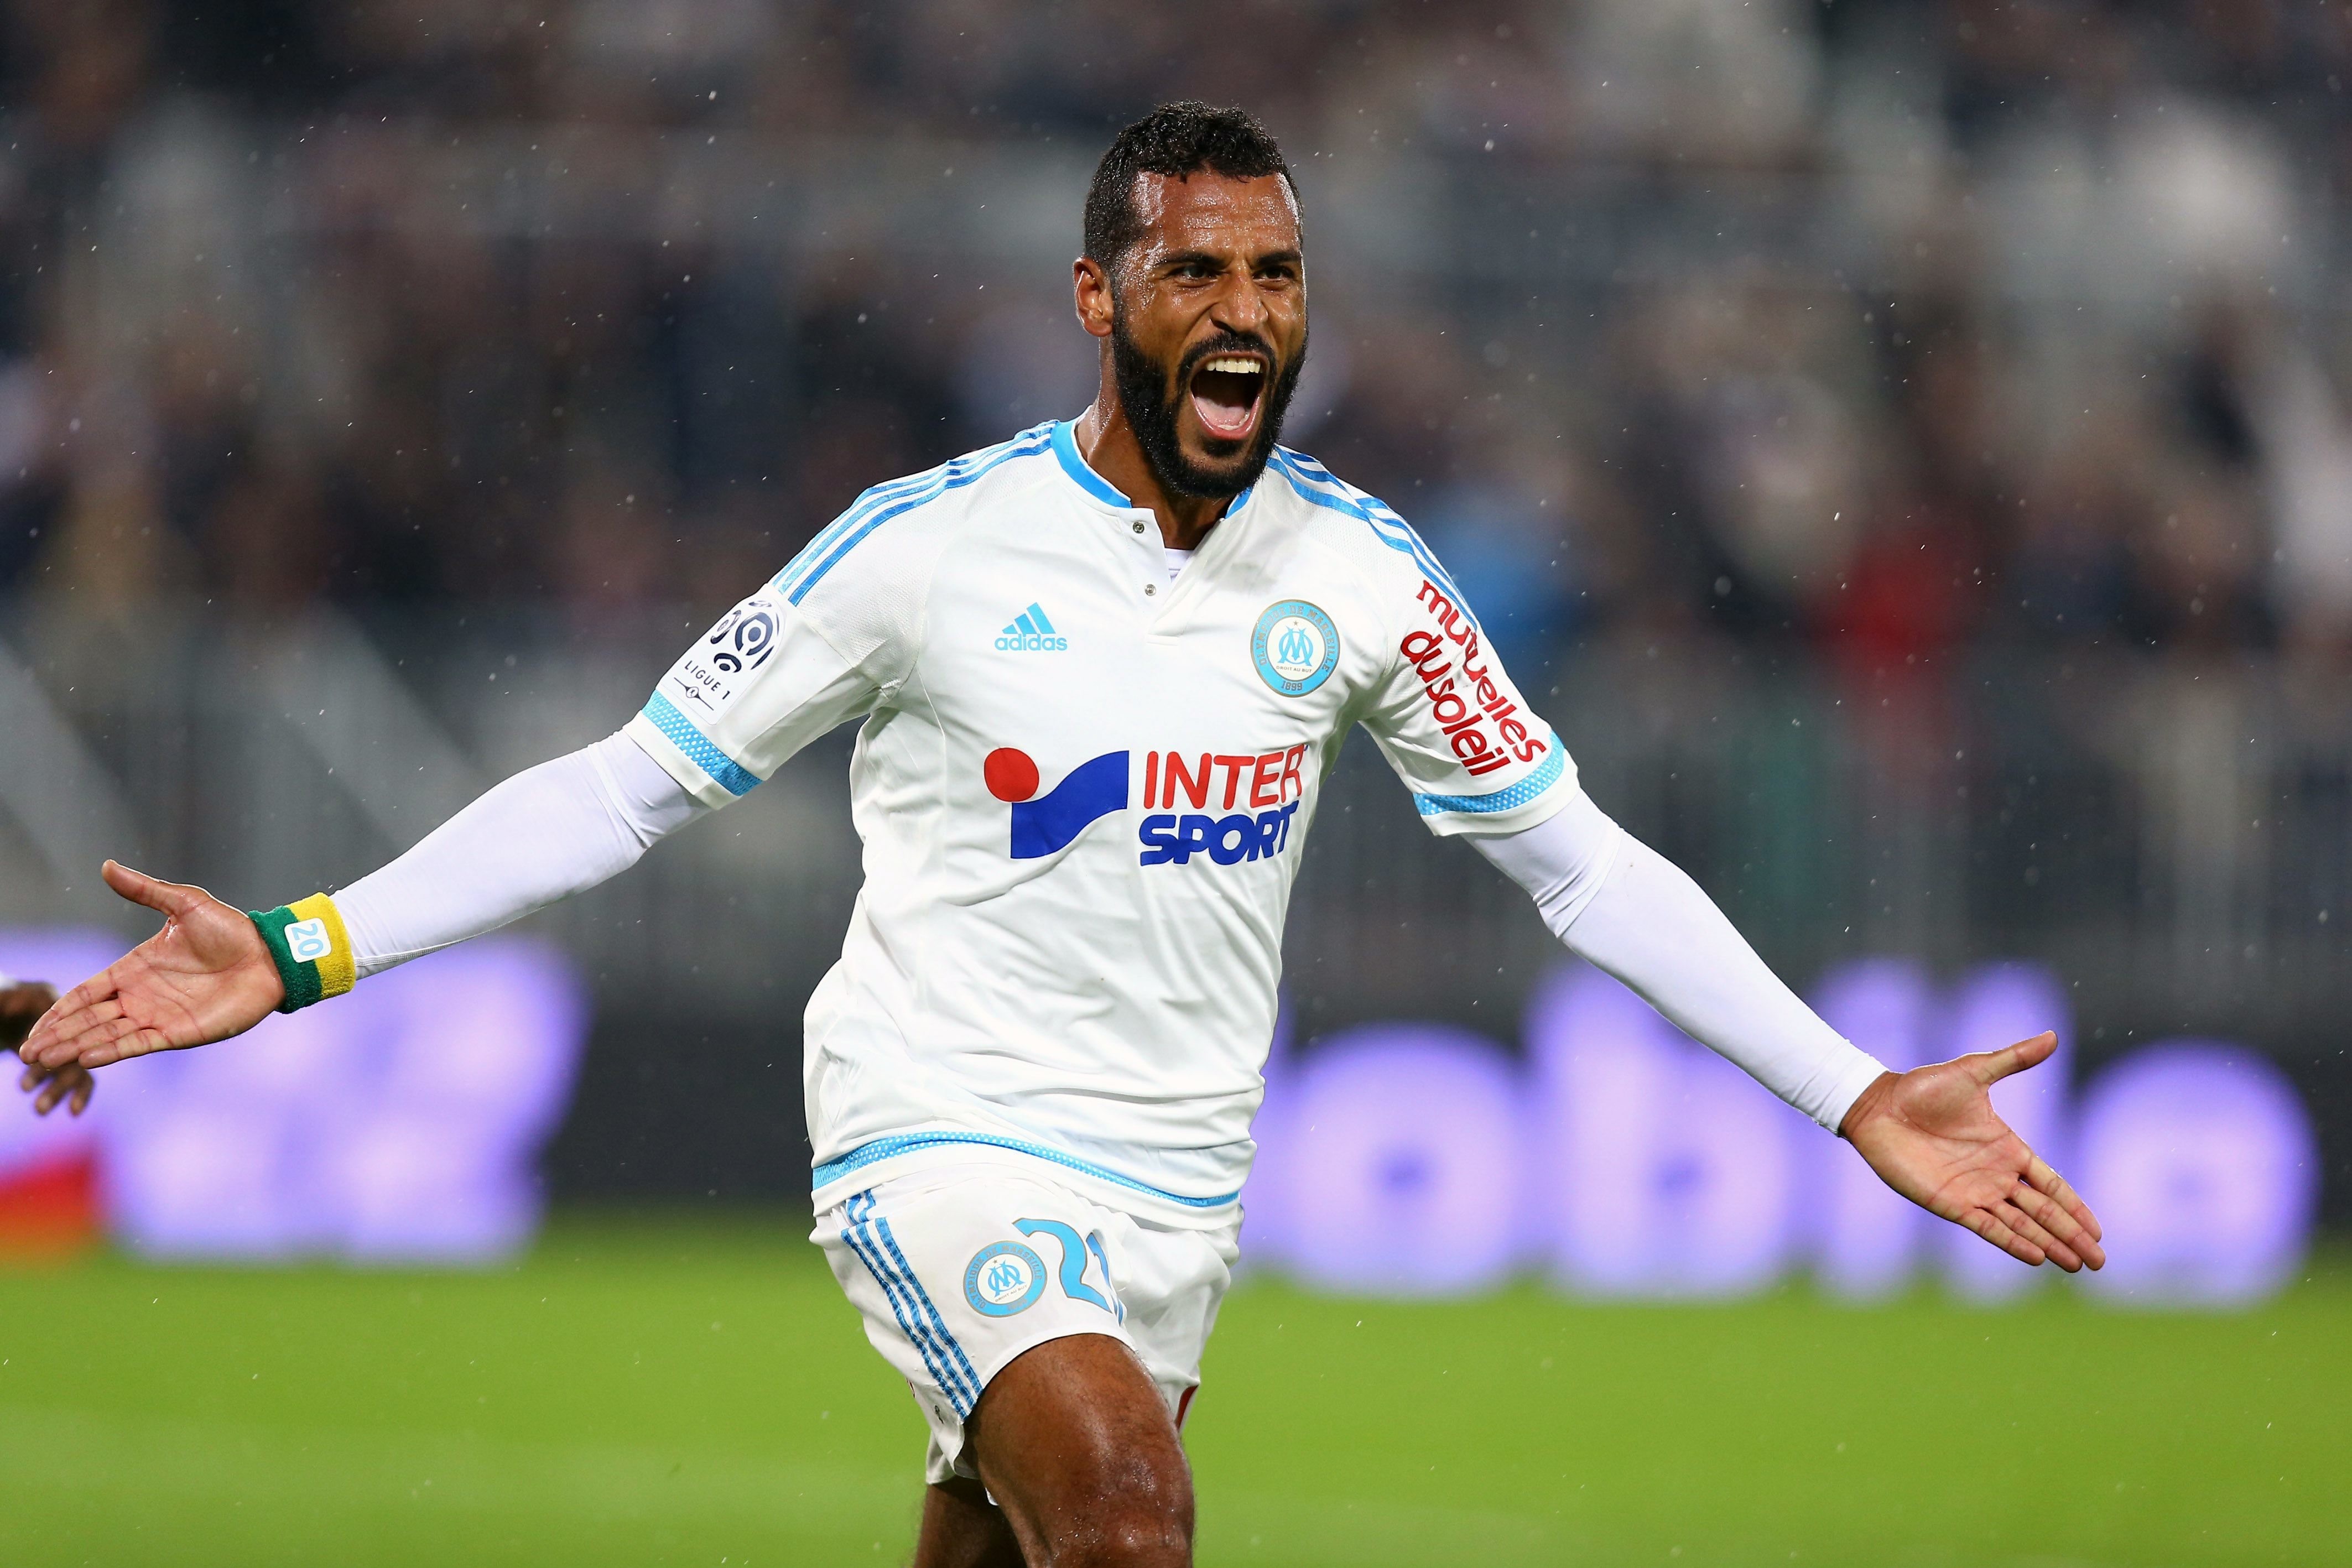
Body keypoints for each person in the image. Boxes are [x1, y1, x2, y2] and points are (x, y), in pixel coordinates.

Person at [17, 103, 2101, 1568]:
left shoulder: (1368, 575)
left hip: (1178, 1180)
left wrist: (1850, 1090)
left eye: (1276, 271)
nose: (1244, 306)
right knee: (1124, 1513)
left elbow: (1577, 859)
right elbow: (631, 780)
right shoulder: (926, 546)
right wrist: (302, 943)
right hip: (936, 1123)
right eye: (1195, 268)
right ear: (1098, 296)